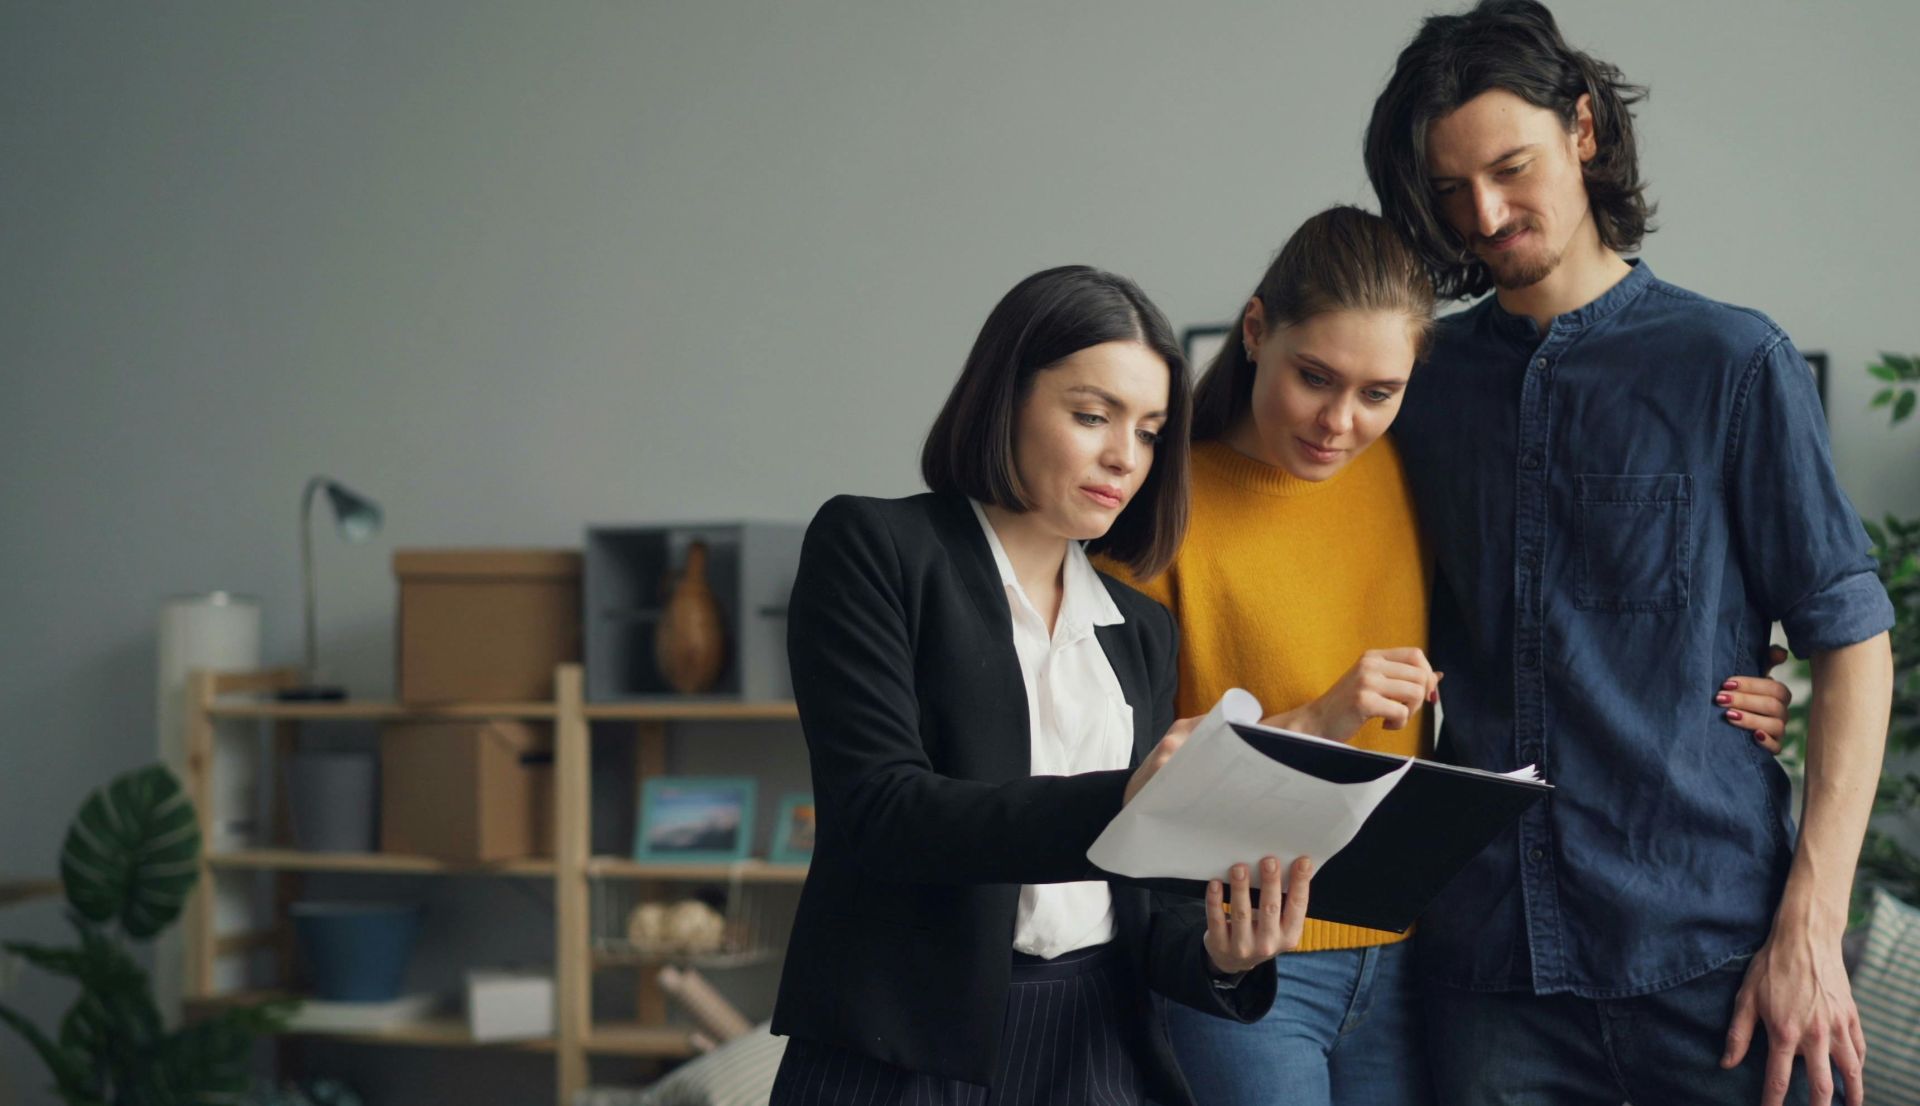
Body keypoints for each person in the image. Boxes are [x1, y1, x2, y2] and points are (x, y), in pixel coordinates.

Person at [1362, 3, 1897, 1104]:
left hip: (1716, 962)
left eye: (1511, 168)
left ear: (1584, 129)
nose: (1487, 213)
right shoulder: (1419, 384)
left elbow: (1851, 643)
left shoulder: (1732, 362)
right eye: (1452, 190)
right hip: (1489, 974)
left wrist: (1810, 926)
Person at [767, 264, 1313, 1106]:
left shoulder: (1139, 628)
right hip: (907, 1048)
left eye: (1152, 430)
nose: (1122, 456)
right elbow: (881, 811)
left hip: (1097, 1042)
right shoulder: (875, 548)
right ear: (1004, 398)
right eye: (1092, 415)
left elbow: (1141, 907)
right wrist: (1131, 797)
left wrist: (1225, 954)